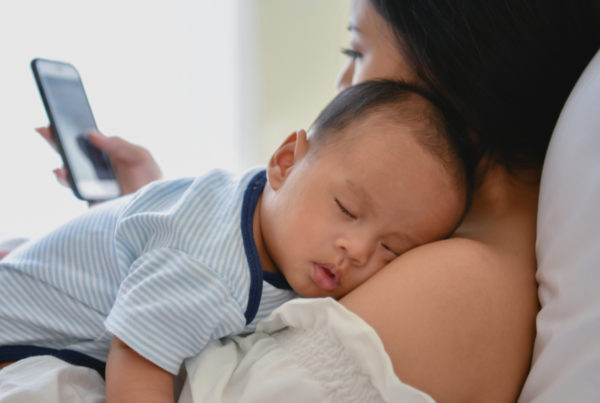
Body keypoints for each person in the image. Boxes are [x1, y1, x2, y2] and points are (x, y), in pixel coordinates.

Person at [7, 0, 599, 401]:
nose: (345, 86)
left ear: (453, 57)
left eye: (356, 53)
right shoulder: (451, 249)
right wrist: (152, 220)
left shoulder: (460, 288)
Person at [0, 80, 473, 401]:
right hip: (19, 338)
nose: (359, 250)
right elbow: (138, 360)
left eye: (392, 249)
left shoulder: (274, 214)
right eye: (347, 210)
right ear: (285, 162)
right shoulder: (209, 264)